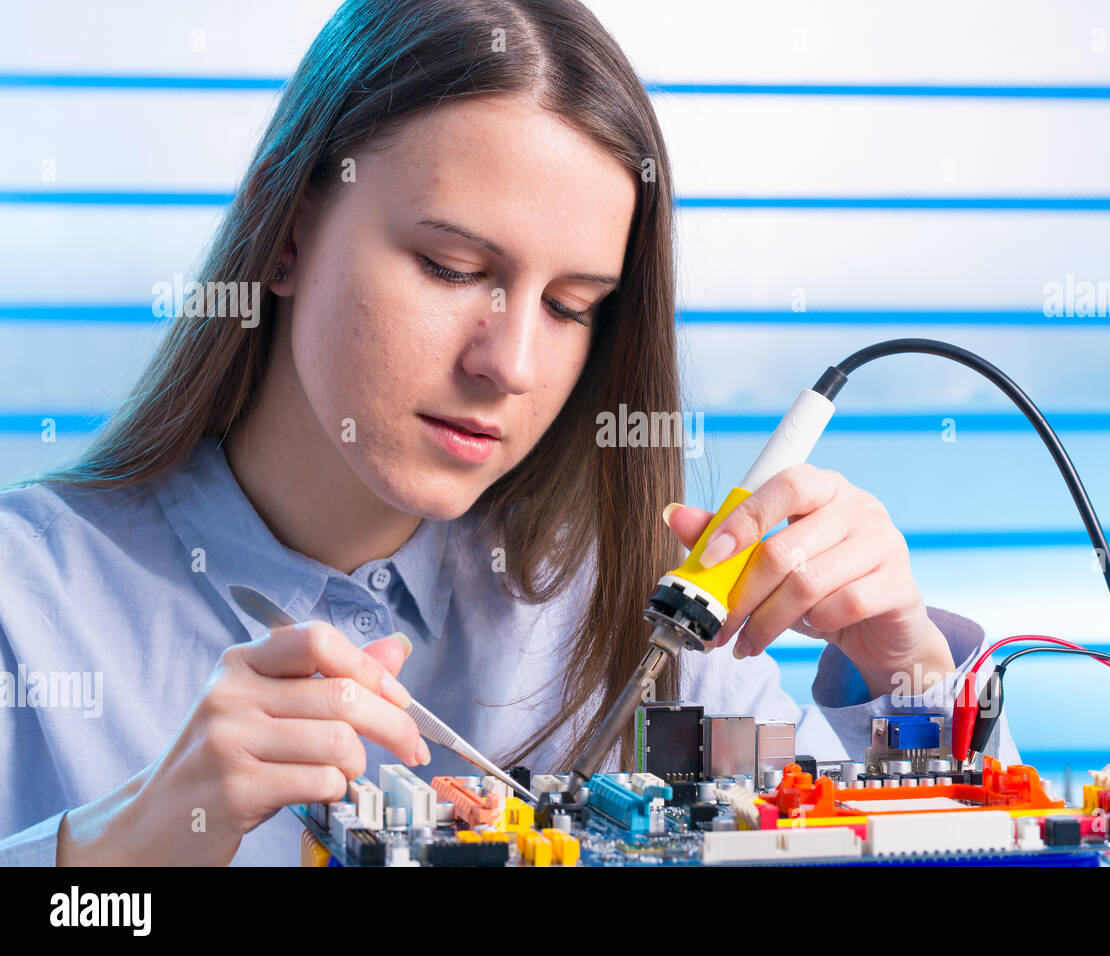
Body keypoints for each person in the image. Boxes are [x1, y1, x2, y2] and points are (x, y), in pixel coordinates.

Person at [0, 0, 1017, 866]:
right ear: (286, 232)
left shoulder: (652, 613)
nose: (511, 365)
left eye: (572, 305)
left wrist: (903, 669)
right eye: (450, 269)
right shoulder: (28, 602)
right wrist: (116, 849)